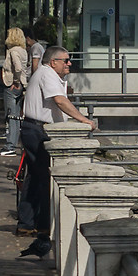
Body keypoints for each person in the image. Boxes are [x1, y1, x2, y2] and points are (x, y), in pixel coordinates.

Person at [17, 44, 95, 259]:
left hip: (33, 128)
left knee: (35, 177)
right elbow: (59, 101)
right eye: (66, 60)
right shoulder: (47, 74)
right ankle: (42, 224)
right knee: (45, 177)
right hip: (38, 130)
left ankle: (27, 222)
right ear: (53, 62)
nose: (69, 64)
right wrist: (84, 120)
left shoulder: (47, 74)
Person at [0, 26, 29, 156]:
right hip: (22, 84)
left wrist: (15, 81)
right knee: (16, 116)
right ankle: (14, 142)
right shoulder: (23, 51)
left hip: (12, 85)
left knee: (11, 115)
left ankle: (10, 145)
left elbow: (17, 68)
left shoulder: (12, 51)